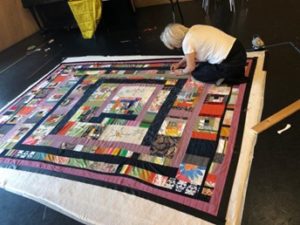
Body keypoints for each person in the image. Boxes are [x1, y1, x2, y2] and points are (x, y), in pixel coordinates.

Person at [160, 23, 247, 84]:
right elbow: (189, 54)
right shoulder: (194, 28)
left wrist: (181, 71)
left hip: (232, 62)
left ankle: (226, 78)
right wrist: (179, 63)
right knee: (201, 65)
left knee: (197, 73)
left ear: (174, 42)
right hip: (239, 48)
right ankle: (227, 73)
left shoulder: (187, 42)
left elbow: (190, 67)